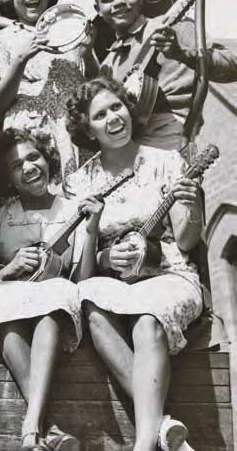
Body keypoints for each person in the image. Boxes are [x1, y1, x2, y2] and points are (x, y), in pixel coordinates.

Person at [64, 77, 204, 451]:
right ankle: (163, 426)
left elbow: (187, 241)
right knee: (89, 301)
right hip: (114, 280)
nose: (113, 118)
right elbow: (83, 272)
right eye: (100, 114)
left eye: (117, 107)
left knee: (148, 321)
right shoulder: (81, 181)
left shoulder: (167, 161)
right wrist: (105, 255)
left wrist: (191, 205)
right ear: (87, 130)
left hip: (170, 274)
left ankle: (143, 445)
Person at [0, 128, 103, 451]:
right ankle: (48, 427)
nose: (29, 167)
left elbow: (83, 278)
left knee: (49, 309)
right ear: (8, 178)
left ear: (48, 160)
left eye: (34, 157)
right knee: (11, 334)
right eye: (17, 165)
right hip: (12, 302)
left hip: (56, 304)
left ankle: (31, 426)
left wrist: (93, 227)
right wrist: (8, 269)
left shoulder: (73, 209)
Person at [92, 0, 237, 150]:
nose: (119, 2)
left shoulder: (173, 27)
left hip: (178, 138)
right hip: (133, 153)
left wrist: (182, 54)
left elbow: (233, 69)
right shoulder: (108, 66)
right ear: (98, 9)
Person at [0, 0, 98, 185]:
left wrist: (87, 54)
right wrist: (21, 58)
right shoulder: (0, 40)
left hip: (76, 130)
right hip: (33, 135)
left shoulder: (71, 30)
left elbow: (96, 86)